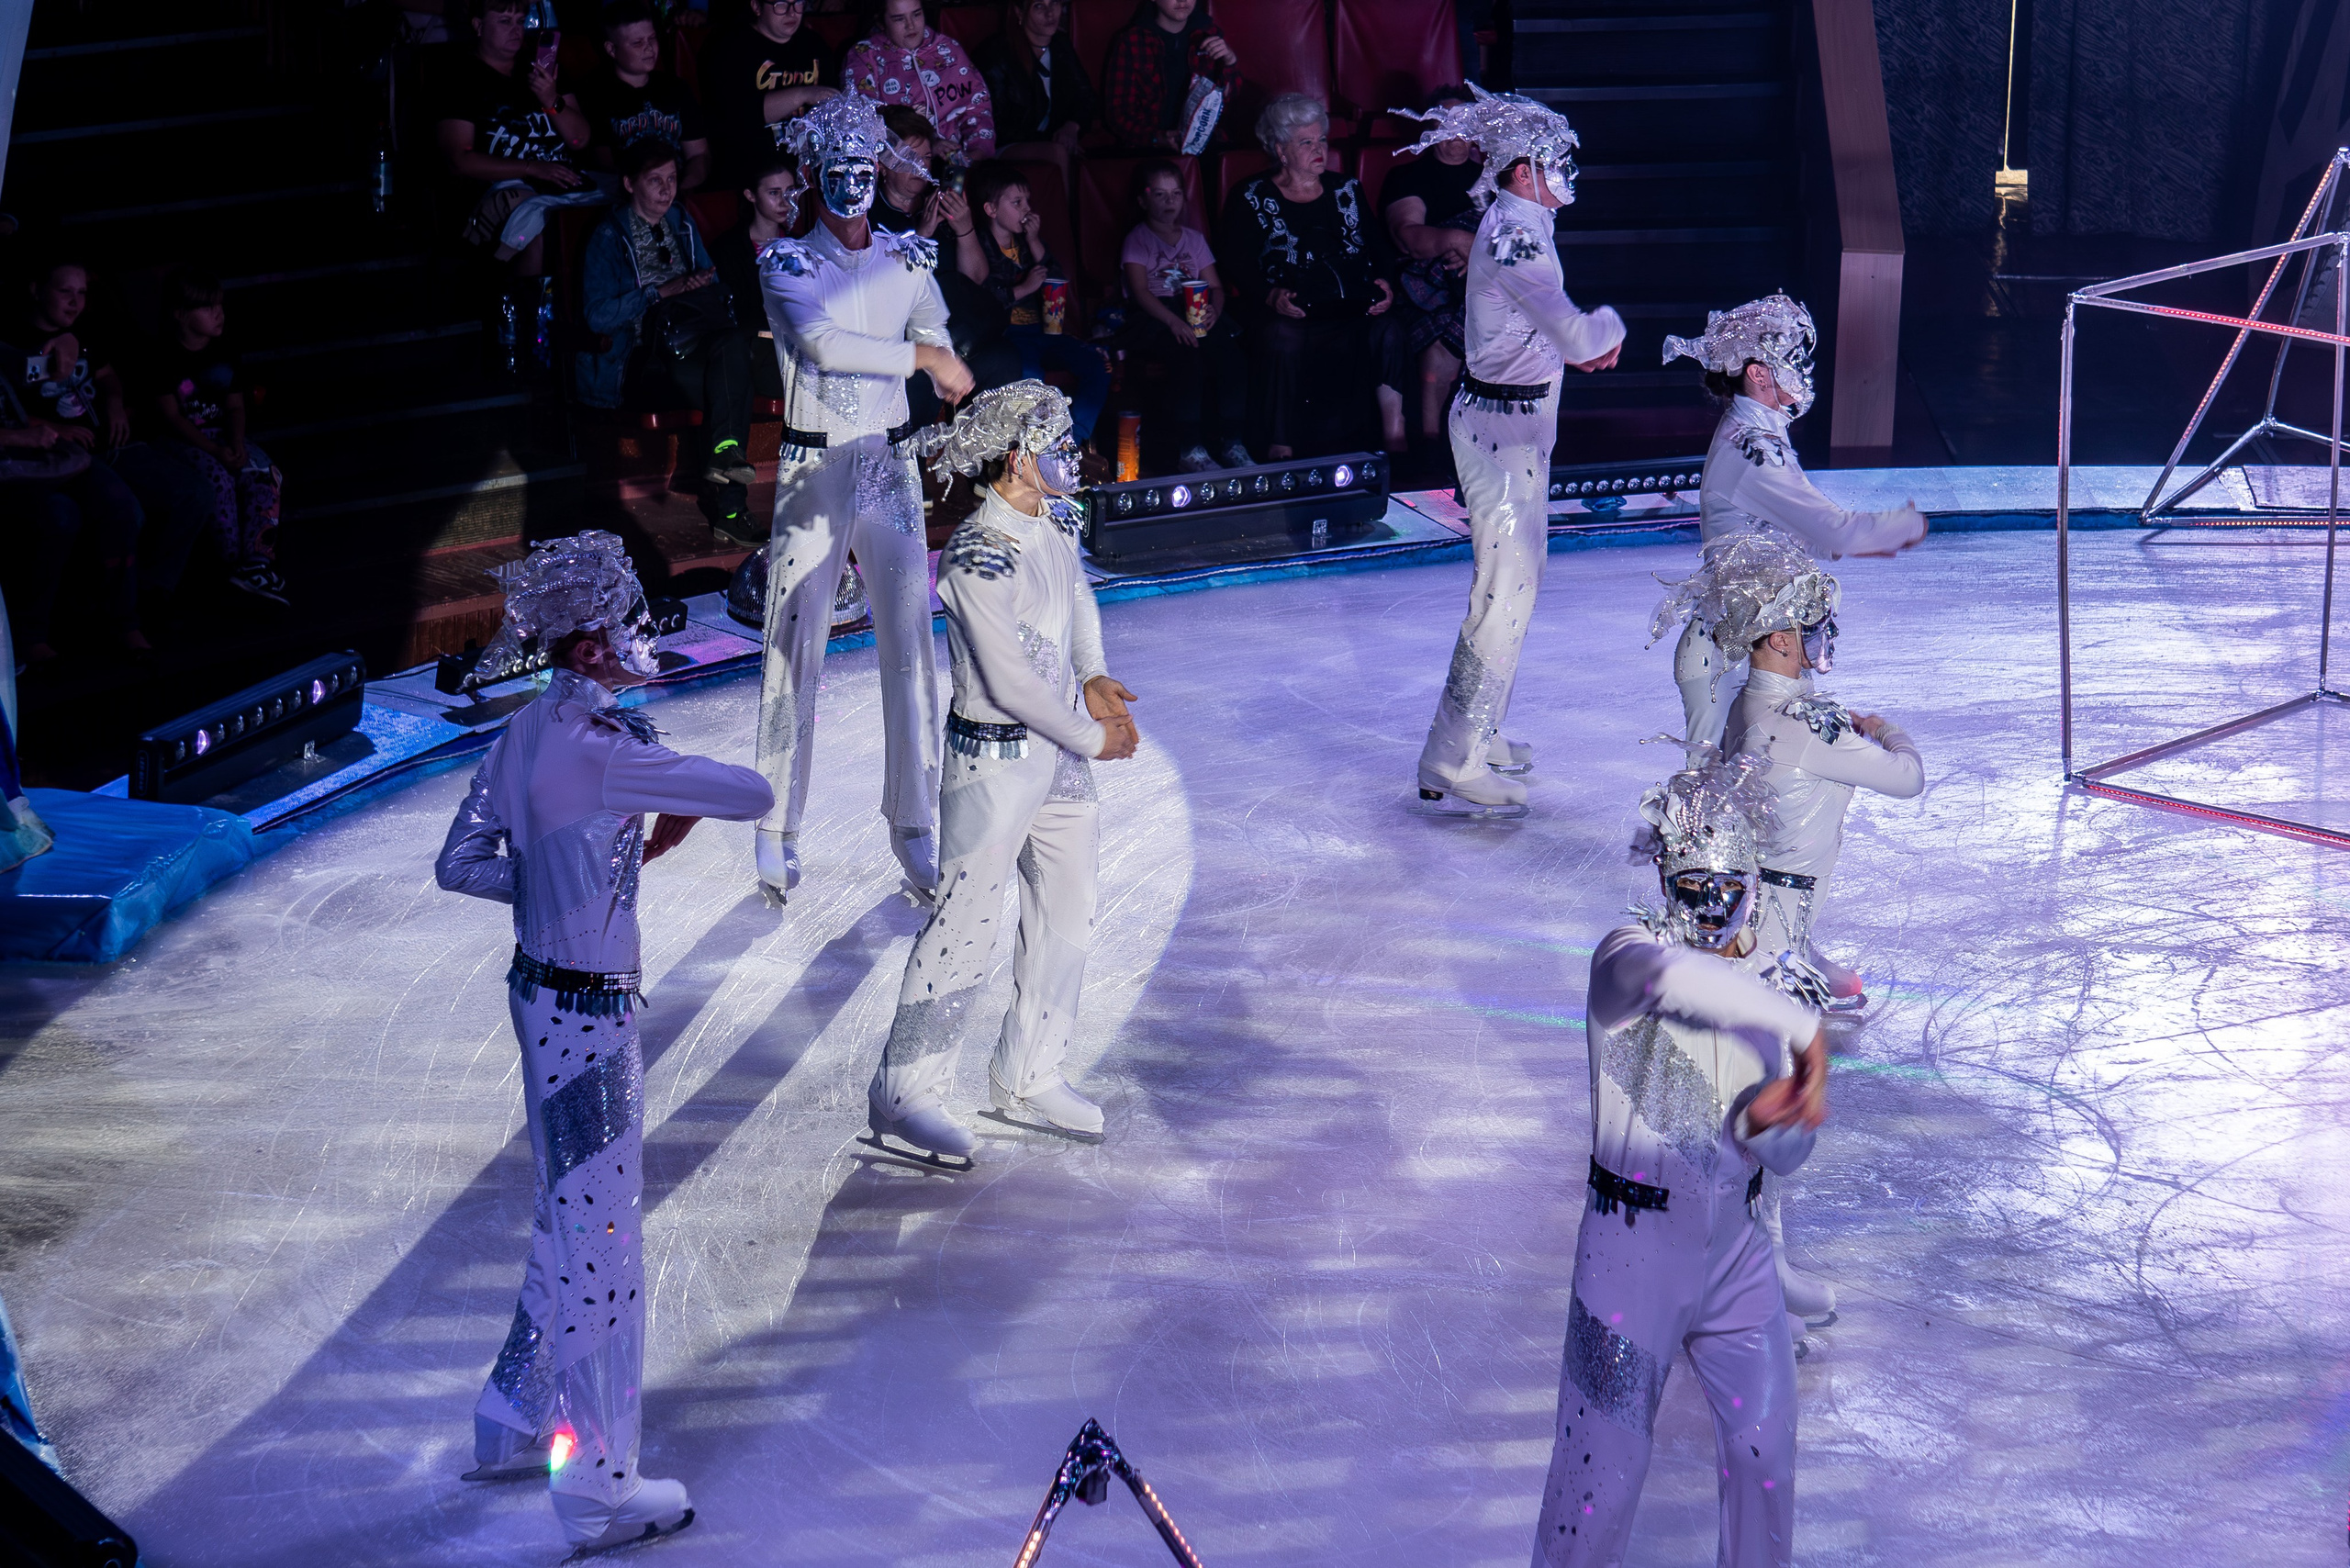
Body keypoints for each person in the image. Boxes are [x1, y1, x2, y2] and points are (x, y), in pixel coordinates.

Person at [435, 532, 772, 1557]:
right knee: (605, 1249)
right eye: (626, 623)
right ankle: (597, 1486)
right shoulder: (606, 750)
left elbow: (461, 862)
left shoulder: (528, 731)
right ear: (585, 648)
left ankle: (510, 1417)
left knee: (564, 1217)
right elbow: (749, 793)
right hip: (587, 1021)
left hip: (537, 996)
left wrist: (555, 887)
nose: (641, 636)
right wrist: (636, 800)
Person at [1533, 755, 1828, 1568]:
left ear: (1753, 887)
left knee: (1766, 1459)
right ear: (1664, 878)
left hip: (1738, 1259)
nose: (1706, 908)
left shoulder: (1777, 986)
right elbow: (1678, 980)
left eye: (1724, 888)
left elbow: (1790, 1153)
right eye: (1689, 885)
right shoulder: (1623, 962)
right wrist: (1798, 1031)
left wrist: (1780, 1127)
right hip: (1627, 1264)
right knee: (1600, 1485)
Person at [866, 381, 1137, 1166]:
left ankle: (1027, 1072)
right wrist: (1091, 738)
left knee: (1067, 909)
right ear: (1018, 459)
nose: (1074, 458)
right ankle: (904, 1094)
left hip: (1058, 758)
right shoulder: (977, 557)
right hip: (996, 758)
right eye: (1057, 446)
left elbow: (1079, 599)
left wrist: (1092, 673)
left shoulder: (1050, 520)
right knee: (964, 925)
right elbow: (1011, 679)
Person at [752, 92, 975, 902]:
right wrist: (923, 356)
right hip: (815, 470)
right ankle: (775, 826)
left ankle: (912, 823)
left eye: (863, 171)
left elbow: (939, 337)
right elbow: (825, 343)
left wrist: (944, 369)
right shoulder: (785, 263)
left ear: (878, 175)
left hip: (889, 462)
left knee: (912, 644)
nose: (852, 185)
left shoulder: (910, 256)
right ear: (812, 177)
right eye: (835, 172)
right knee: (792, 646)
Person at [1704, 532, 1924, 1325]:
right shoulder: (1815, 727)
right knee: (1769, 1116)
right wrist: (1884, 726)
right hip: (1776, 948)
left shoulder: (1745, 706)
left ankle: (1762, 1266)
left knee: (1757, 1111)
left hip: (1746, 930)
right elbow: (1909, 778)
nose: (1826, 639)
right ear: (1786, 638)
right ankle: (1741, 1288)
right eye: (1816, 624)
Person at [1401, 86, 1622, 817]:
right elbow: (1571, 331)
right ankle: (1452, 757)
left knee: (1515, 589)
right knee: (1503, 594)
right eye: (1557, 160)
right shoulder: (1516, 235)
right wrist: (1605, 330)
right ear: (1522, 169)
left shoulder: (1522, 220)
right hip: (1501, 432)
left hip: (1518, 423)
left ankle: (1480, 730)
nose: (1569, 171)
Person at [1660, 294, 1926, 749]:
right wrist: (1902, 525)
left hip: (1755, 646)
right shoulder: (1754, 449)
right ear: (1758, 373)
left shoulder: (1759, 433)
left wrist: (1846, 543)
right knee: (1715, 800)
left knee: (1764, 786)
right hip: (1731, 656)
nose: (1803, 368)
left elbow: (1793, 534)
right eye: (1792, 354)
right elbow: (1828, 527)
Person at [6, 259, 209, 632]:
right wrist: (51, 427)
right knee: (119, 512)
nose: (75, 302)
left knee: (193, 492)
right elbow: (9, 412)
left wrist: (115, 404)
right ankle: (107, 613)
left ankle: (153, 593)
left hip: (115, 443)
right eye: (65, 291)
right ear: (37, 290)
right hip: (66, 456)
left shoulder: (85, 331)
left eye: (81, 293)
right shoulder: (12, 342)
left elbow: (107, 375)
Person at [578, 139, 755, 536]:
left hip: (693, 341)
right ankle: (731, 512)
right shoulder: (608, 236)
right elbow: (597, 317)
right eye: (654, 180)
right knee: (727, 385)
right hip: (642, 358)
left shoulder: (681, 220)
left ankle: (726, 461)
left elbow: (715, 280)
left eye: (672, 179)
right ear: (629, 184)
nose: (666, 190)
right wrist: (660, 292)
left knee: (733, 349)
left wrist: (699, 283)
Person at [1216, 95, 1400, 461]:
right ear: (1281, 151)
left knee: (1389, 330)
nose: (1319, 150)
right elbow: (1234, 262)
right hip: (1290, 309)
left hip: (1348, 304)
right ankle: (1280, 443)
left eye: (1322, 141)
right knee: (1281, 337)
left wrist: (1384, 282)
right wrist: (1270, 296)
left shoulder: (1346, 188)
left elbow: (1380, 248)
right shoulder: (1250, 196)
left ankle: (1396, 440)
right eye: (1307, 143)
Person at [134, 269, 288, 609]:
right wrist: (215, 450)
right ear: (180, 314)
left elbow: (235, 406)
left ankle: (256, 562)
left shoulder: (225, 351)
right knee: (217, 480)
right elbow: (171, 417)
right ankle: (230, 562)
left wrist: (235, 443)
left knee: (263, 472)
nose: (219, 313)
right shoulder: (161, 356)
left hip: (221, 435)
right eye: (207, 308)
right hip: (181, 440)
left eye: (220, 305)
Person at [870, 108, 1019, 426]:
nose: (919, 166)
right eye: (909, 156)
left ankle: (985, 467)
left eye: (925, 158)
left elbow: (976, 278)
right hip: (904, 340)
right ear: (882, 165)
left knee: (1004, 359)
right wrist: (921, 235)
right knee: (919, 381)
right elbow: (878, 292)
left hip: (958, 335)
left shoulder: (942, 202)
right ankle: (912, 470)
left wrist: (964, 227)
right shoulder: (867, 214)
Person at [431, 0, 600, 277]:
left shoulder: (541, 71)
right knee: (540, 230)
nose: (516, 30)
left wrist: (550, 99)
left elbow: (580, 140)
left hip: (563, 182)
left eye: (520, 21)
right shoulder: (459, 78)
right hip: (501, 189)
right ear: (478, 25)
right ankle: (523, 312)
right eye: (505, 21)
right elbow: (459, 160)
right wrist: (532, 168)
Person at [968, 160, 1109, 447]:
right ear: (991, 210)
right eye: (1017, 202)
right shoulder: (980, 245)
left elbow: (1056, 283)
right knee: (1031, 378)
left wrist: (1033, 242)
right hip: (1007, 336)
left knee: (1097, 365)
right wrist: (1023, 288)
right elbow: (979, 297)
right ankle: (1032, 449)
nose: (1026, 210)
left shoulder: (1027, 243)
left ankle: (1071, 441)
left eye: (1027, 202)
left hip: (1044, 332)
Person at [1118, 159, 1246, 471]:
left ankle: (1234, 443)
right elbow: (1141, 291)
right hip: (1157, 314)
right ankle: (1191, 448)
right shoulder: (1137, 239)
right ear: (1142, 200)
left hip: (1197, 309)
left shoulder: (1194, 239)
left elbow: (1215, 285)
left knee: (1231, 356)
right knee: (1187, 359)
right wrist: (1173, 321)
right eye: (1159, 195)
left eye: (1175, 194)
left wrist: (1215, 310)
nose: (1169, 201)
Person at [1380, 84, 1480, 454]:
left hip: (1484, 280)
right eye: (1447, 122)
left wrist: (1478, 252)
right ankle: (1432, 440)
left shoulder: (1492, 177)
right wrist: (1458, 241)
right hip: (1427, 286)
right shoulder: (1407, 176)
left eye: (1465, 123)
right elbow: (1409, 238)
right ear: (1430, 127)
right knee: (1444, 332)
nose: (1456, 133)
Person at [841, 0, 997, 165]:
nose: (911, 26)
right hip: (902, 166)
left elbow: (978, 107)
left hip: (956, 163)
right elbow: (865, 122)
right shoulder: (864, 55)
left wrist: (978, 153)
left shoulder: (949, 49)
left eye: (916, 14)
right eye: (899, 19)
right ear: (881, 22)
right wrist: (928, 146)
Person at [580, 1, 714, 191]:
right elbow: (604, 164)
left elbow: (699, 156)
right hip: (626, 196)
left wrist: (680, 191)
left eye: (652, 38)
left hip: (679, 192)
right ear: (611, 49)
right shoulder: (596, 93)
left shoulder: (676, 88)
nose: (649, 48)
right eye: (637, 43)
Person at [701, 0, 836, 188]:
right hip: (752, 167)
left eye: (797, 3)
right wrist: (803, 94)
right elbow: (740, 114)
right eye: (781, 4)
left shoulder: (814, 44)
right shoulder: (730, 46)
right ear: (756, 7)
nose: (792, 13)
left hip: (806, 163)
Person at [975, 0, 1093, 183]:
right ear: (1019, 13)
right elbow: (994, 124)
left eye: (1053, 3)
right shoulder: (996, 53)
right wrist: (1053, 139)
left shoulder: (1061, 46)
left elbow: (1086, 97)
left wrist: (1072, 126)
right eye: (1038, 5)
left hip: (1050, 140)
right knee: (1057, 152)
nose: (1050, 13)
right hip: (1003, 144)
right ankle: (1066, 212)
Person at [1102, 0, 1236, 152]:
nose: (1182, 0)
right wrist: (1156, 138)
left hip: (1203, 141)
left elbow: (1228, 95)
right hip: (1149, 146)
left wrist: (1229, 61)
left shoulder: (1208, 33)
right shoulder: (1132, 41)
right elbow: (1118, 114)